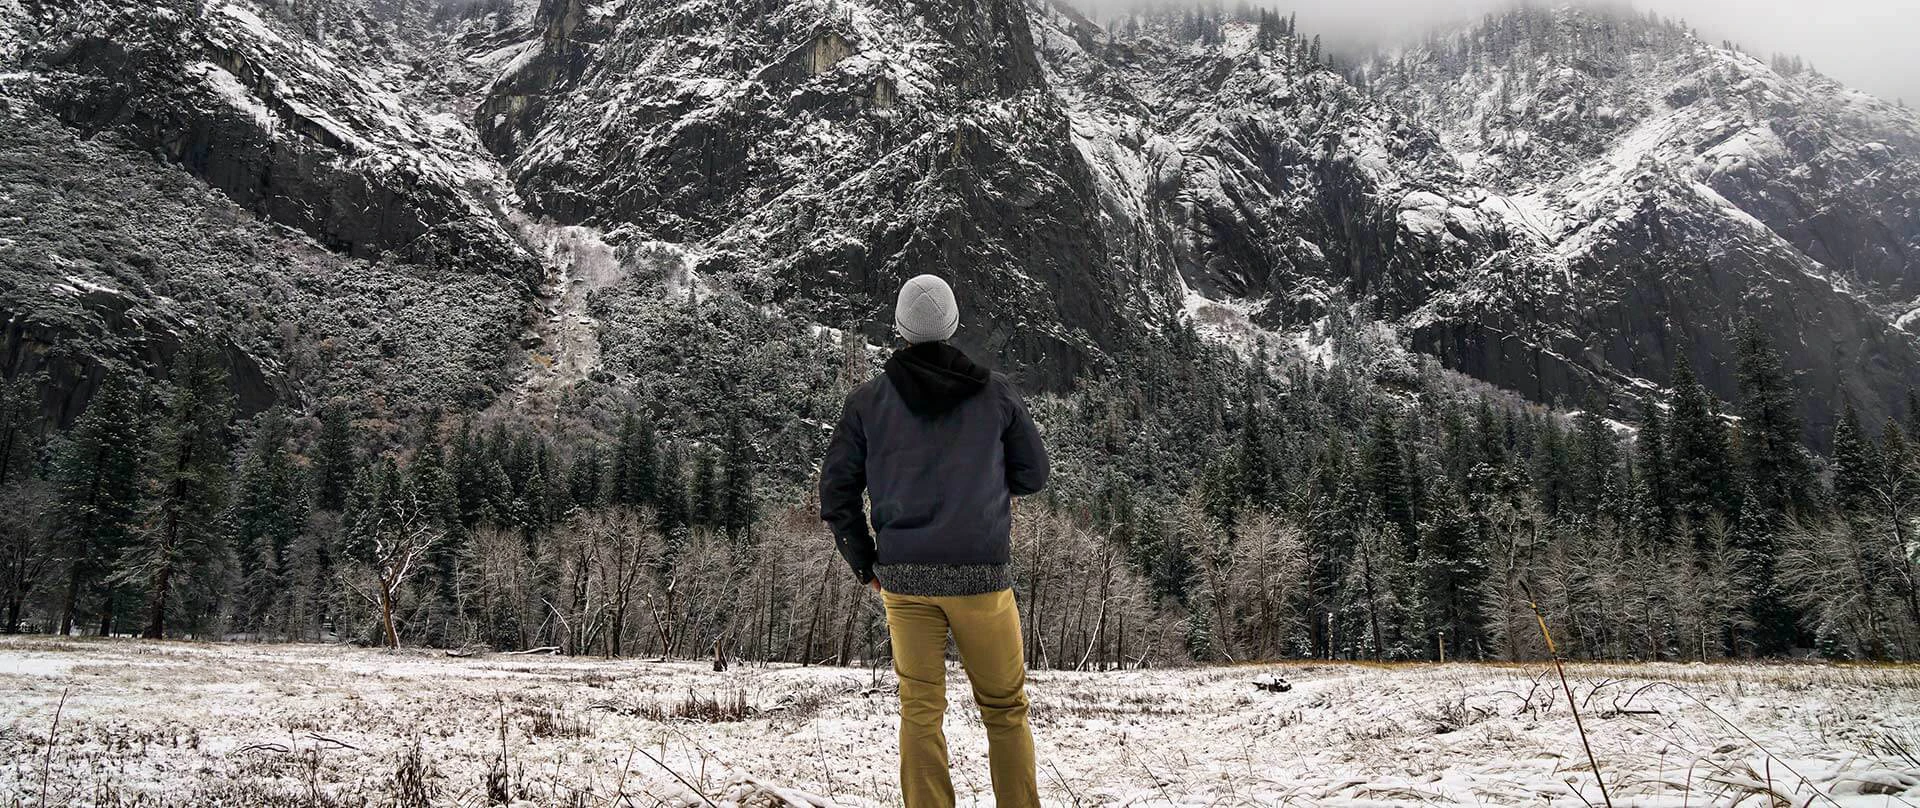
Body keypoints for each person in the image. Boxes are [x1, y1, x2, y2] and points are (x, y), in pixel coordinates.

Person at [819, 274, 1049, 808]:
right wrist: (985, 484)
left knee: (920, 711)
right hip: (982, 577)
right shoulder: (996, 394)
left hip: (904, 580)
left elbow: (837, 494)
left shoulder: (867, 402)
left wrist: (865, 563)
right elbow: (1033, 475)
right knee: (1005, 710)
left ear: (899, 330)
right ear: (953, 326)